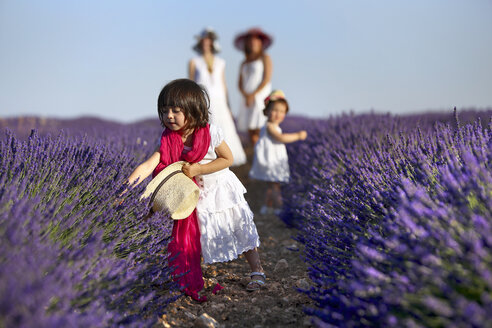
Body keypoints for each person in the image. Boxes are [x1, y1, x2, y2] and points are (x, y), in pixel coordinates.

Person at [127, 79, 266, 299]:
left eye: (175, 110)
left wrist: (200, 168)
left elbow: (227, 159)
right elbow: (148, 165)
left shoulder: (210, 133)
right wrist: (125, 188)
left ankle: (256, 269)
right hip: (195, 193)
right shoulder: (168, 139)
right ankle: (190, 272)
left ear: (193, 110)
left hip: (220, 189)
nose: (169, 116)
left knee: (239, 226)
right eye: (164, 111)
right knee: (199, 233)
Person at [189, 27, 247, 166]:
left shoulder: (221, 62)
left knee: (224, 127)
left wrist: (228, 103)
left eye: (208, 40)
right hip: (203, 101)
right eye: (203, 40)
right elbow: (190, 83)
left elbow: (223, 83)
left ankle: (225, 157)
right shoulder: (194, 62)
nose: (205, 43)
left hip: (219, 100)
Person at [249, 90, 307, 215]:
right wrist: (298, 135)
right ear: (267, 111)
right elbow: (281, 138)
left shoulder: (273, 126)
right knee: (275, 186)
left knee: (271, 185)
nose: (278, 114)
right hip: (271, 160)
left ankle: (267, 207)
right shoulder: (270, 126)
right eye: (275, 110)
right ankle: (280, 208)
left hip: (273, 159)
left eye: (282, 111)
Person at [234, 27, 273, 145]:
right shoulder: (244, 62)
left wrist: (253, 94)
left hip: (260, 96)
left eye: (256, 40)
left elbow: (266, 79)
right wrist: (246, 95)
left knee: (261, 126)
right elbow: (239, 83)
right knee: (251, 129)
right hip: (247, 97)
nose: (253, 42)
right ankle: (256, 156)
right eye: (250, 40)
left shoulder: (265, 58)